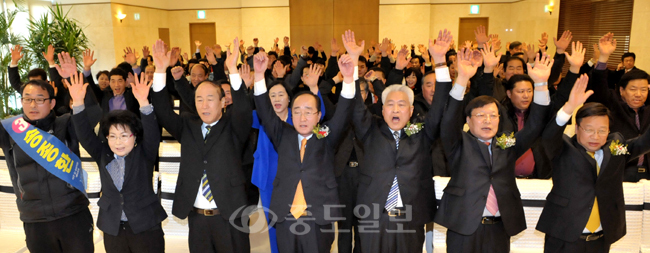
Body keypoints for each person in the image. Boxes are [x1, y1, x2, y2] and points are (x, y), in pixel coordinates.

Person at [436, 49, 553, 253]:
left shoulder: (506, 145)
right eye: (480, 115)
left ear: (500, 119)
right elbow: (447, 120)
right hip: (464, 227)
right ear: (468, 120)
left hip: (499, 227)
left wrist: (541, 84)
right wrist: (462, 79)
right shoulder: (458, 143)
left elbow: (535, 126)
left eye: (493, 115)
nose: (487, 120)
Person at [253, 32, 356, 251]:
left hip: (318, 219)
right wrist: (259, 76)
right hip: (286, 217)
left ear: (319, 117)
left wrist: (348, 80)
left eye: (309, 112)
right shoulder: (284, 134)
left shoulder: (324, 136)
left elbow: (345, 113)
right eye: (297, 111)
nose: (302, 117)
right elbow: (264, 110)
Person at [352, 30, 453, 253]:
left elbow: (439, 105)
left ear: (411, 111)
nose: (395, 109)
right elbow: (356, 107)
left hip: (410, 216)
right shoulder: (371, 129)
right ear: (382, 108)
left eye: (401, 105)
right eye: (390, 104)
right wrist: (351, 65)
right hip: (374, 216)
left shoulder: (422, 133)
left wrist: (440, 62)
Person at [150, 38, 252, 253]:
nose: (204, 105)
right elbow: (162, 111)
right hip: (197, 218)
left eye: (210, 99)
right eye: (198, 99)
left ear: (223, 102)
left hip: (230, 216)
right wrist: (160, 70)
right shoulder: (188, 125)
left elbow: (243, 108)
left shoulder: (234, 126)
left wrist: (233, 69)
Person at [537, 75, 650, 252]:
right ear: (576, 128)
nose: (595, 136)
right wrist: (569, 108)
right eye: (589, 130)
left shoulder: (615, 148)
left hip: (601, 237)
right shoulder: (563, 148)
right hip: (563, 236)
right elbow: (549, 135)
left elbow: (644, 142)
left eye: (602, 130)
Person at [0, 62, 101, 252]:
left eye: (39, 99)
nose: (33, 104)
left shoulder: (66, 123)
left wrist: (77, 87)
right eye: (27, 99)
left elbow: (94, 114)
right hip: (34, 218)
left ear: (52, 102)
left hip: (73, 214)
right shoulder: (10, 130)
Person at [69, 73, 167, 253]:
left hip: (145, 225)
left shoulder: (144, 153)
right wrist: (77, 103)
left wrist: (144, 102)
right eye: (112, 136)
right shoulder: (103, 153)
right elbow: (84, 134)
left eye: (124, 136)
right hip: (113, 226)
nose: (118, 142)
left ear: (134, 136)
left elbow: (153, 133)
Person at [586, 33, 650, 182]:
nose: (639, 94)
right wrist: (603, 58)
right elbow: (599, 88)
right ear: (622, 91)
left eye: (644, 89)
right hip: (621, 171)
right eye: (633, 89)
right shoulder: (613, 105)